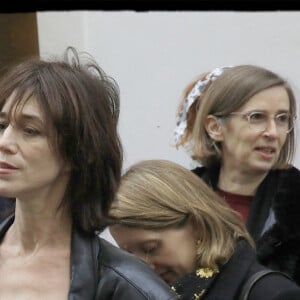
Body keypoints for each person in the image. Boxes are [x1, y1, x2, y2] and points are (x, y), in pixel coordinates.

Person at [0, 47, 177, 300]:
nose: (4, 142)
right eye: (2, 124)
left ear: (79, 151)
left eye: (30, 130)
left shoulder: (128, 286)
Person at [173, 65, 300, 285]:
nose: (272, 132)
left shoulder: (294, 205)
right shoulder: (177, 199)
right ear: (215, 128)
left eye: (282, 119)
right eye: (257, 117)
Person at [109, 159, 300, 299]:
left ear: (197, 225)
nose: (144, 266)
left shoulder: (273, 294)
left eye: (150, 248)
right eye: (129, 255)